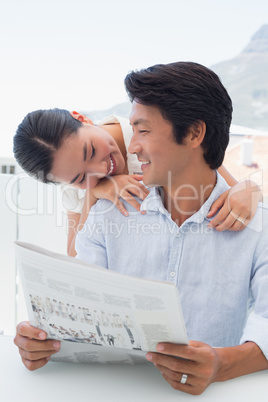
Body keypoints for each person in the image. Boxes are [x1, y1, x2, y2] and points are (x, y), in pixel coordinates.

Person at [13, 62, 267, 395]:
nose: (104, 166)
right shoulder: (99, 207)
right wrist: (44, 336)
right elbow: (78, 283)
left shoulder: (252, 222)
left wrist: (250, 189)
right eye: (80, 177)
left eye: (143, 131)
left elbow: (212, 166)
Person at [13, 108, 261, 258]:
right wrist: (95, 193)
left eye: (90, 151)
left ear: (82, 118)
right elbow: (77, 255)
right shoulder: (73, 175)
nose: (100, 169)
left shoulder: (150, 133)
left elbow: (231, 186)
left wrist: (252, 190)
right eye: (80, 178)